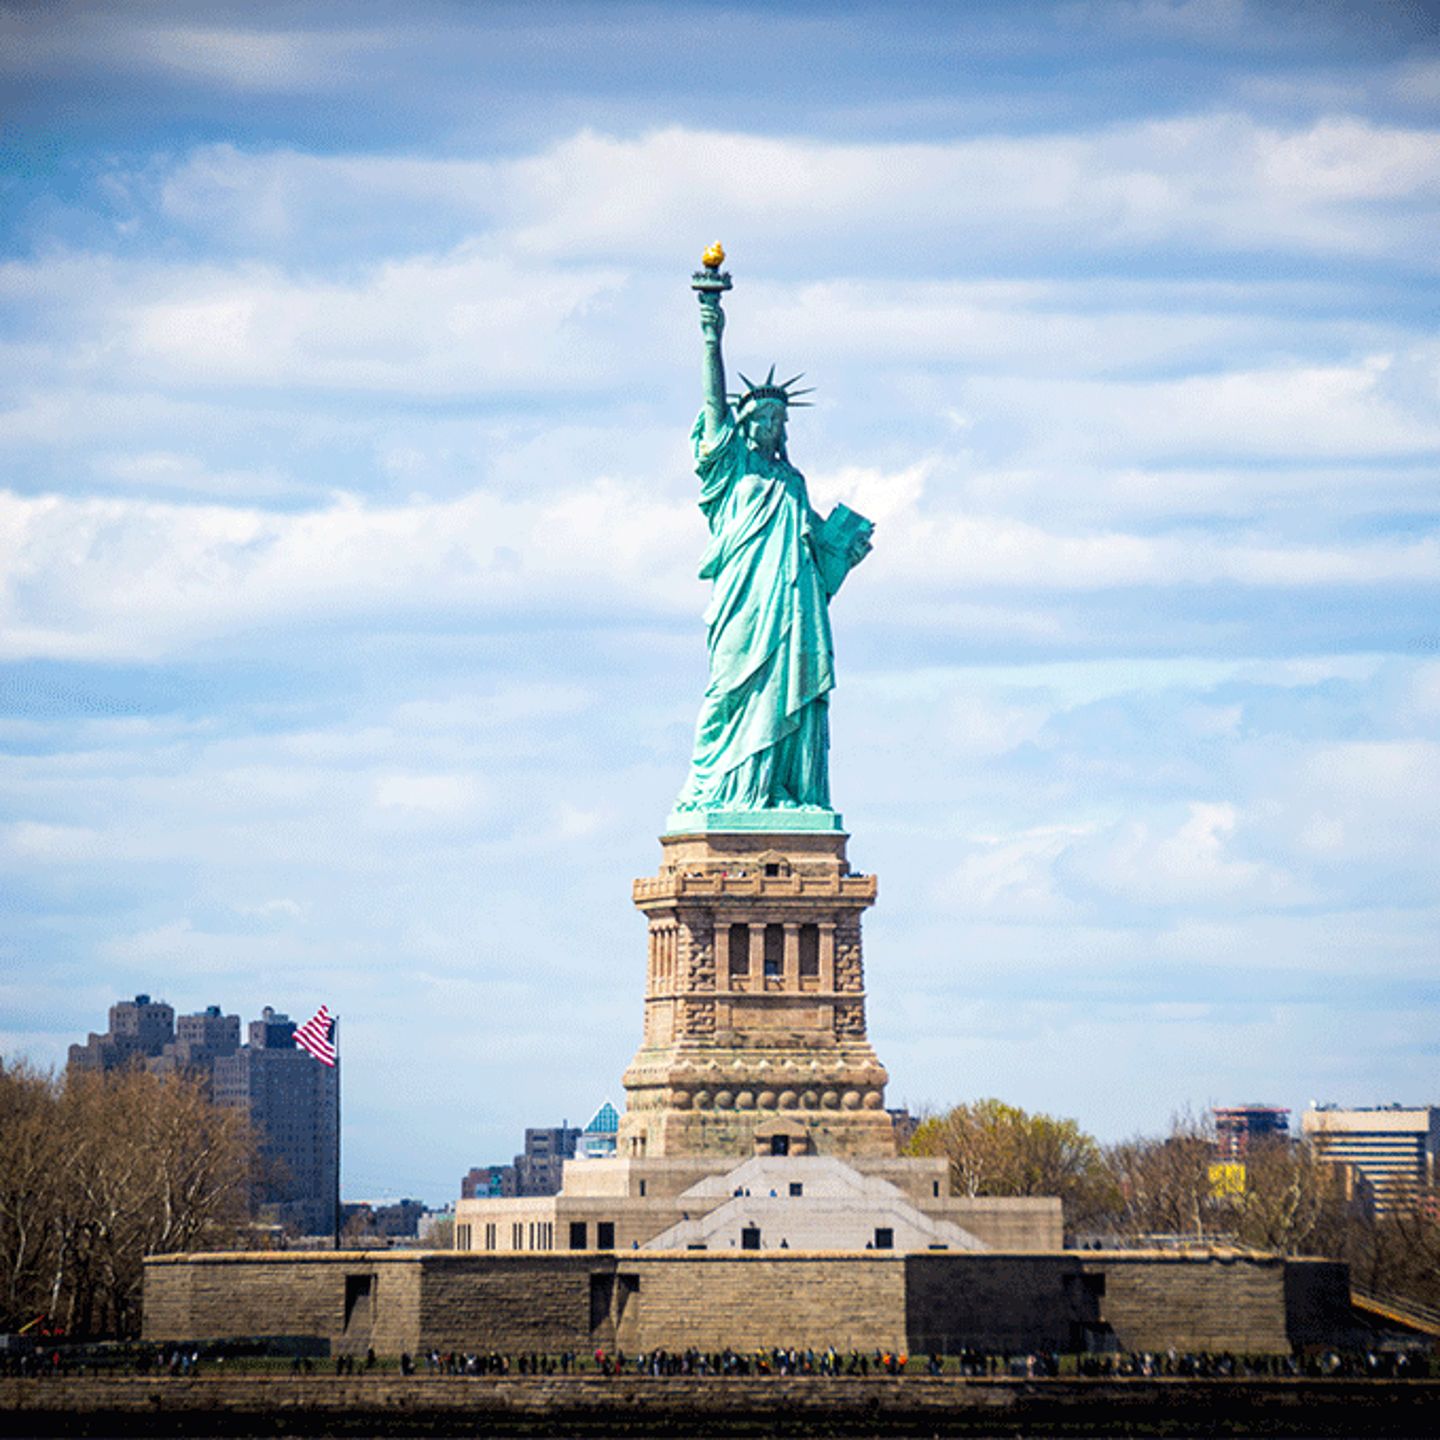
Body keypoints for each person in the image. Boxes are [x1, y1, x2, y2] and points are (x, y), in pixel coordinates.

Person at [672, 282, 872, 817]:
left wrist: (842, 552)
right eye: (761, 419)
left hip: (794, 605)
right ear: (744, 424)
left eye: (778, 422)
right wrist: (711, 332)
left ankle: (782, 790)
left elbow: (816, 563)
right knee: (730, 691)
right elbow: (713, 405)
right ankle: (724, 790)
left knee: (792, 691)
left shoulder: (793, 482)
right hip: (746, 602)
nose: (771, 427)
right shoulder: (732, 469)